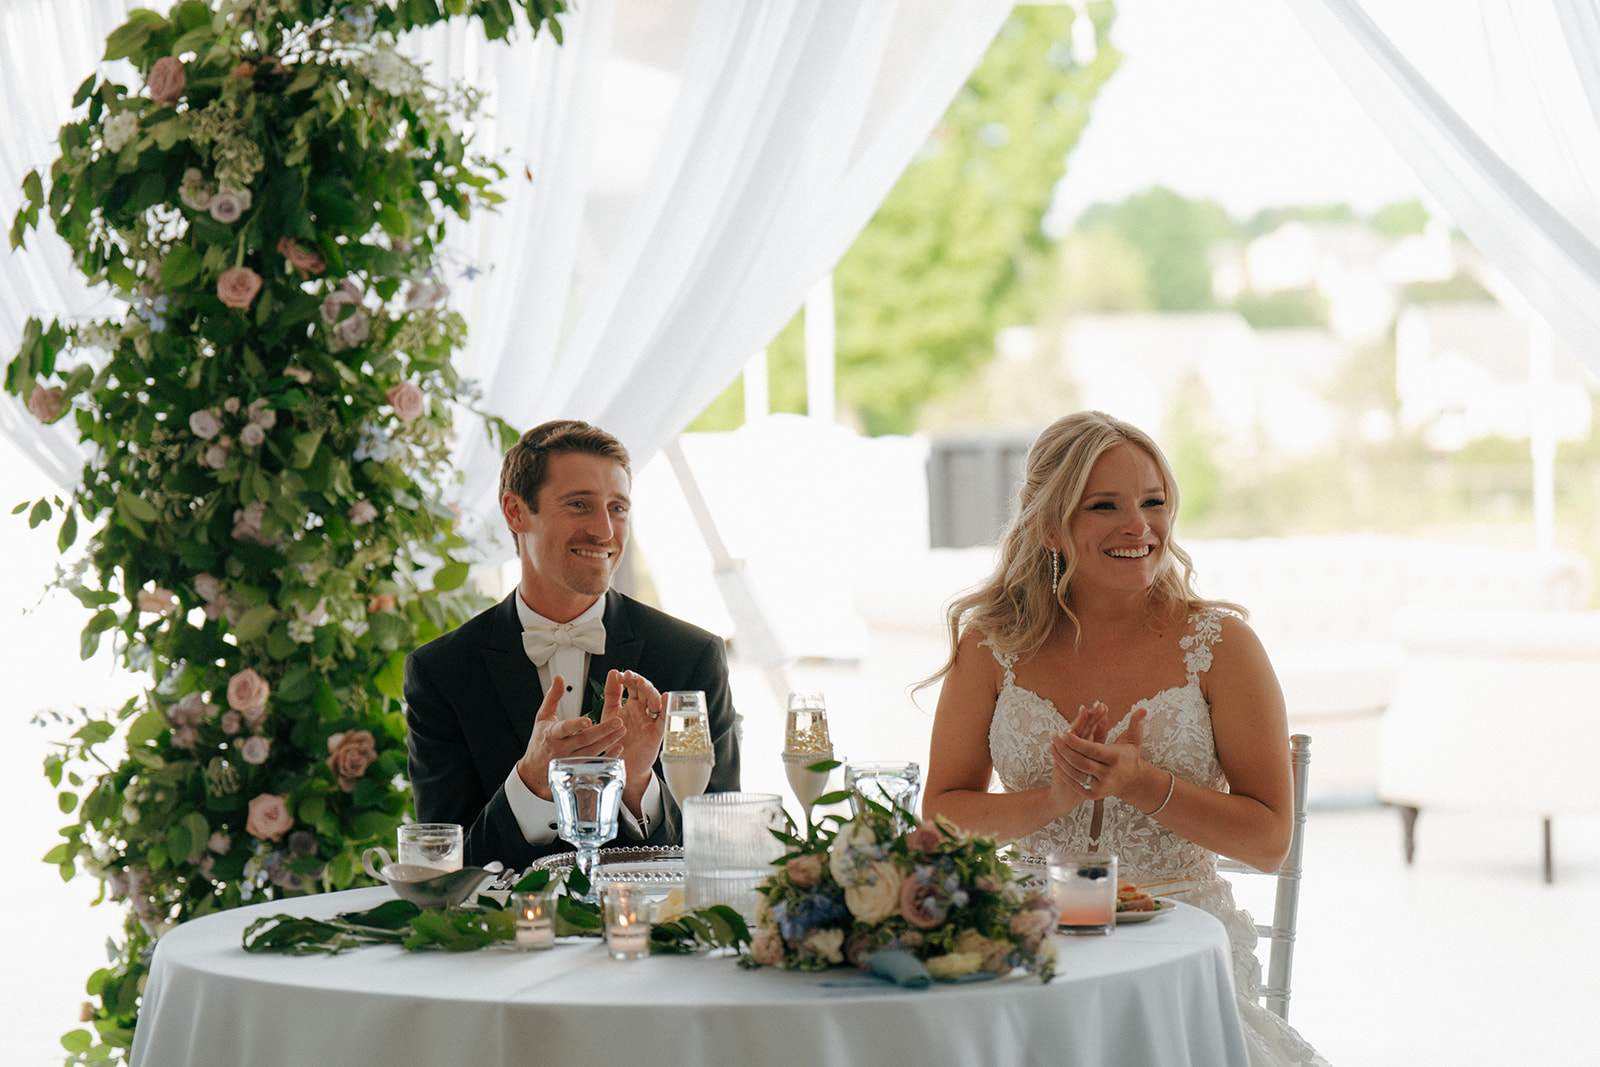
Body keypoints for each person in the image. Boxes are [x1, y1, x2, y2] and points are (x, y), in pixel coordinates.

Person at [921, 411, 1326, 1067]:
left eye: (1154, 501)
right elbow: (943, 814)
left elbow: (1269, 842)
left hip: (1183, 951)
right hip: (1027, 943)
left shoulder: (1222, 646)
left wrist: (1143, 784)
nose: (1139, 525)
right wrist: (1051, 798)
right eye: (1104, 504)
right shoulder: (990, 644)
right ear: (1051, 524)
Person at [405, 419, 741, 870]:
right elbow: (443, 867)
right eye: (580, 504)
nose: (604, 530)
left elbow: (725, 846)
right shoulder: (443, 672)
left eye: (618, 508)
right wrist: (530, 785)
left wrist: (641, 783)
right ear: (515, 512)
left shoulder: (691, 657)